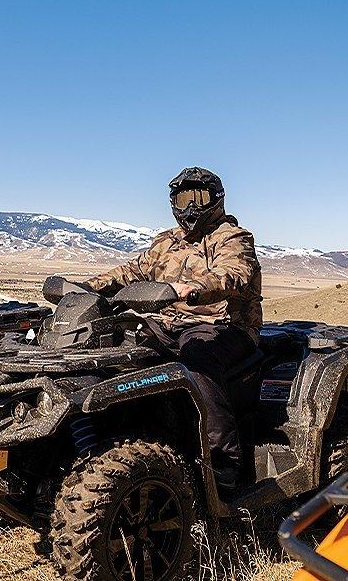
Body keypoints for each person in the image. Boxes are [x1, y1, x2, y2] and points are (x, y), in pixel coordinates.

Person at [84, 167, 263, 489]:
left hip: (220, 325)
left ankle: (222, 462)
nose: (190, 207)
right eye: (183, 198)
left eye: (199, 197)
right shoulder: (166, 241)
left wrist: (192, 287)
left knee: (198, 364)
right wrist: (88, 287)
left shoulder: (231, 237)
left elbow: (234, 273)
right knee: (113, 351)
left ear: (216, 199)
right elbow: (132, 270)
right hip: (166, 323)